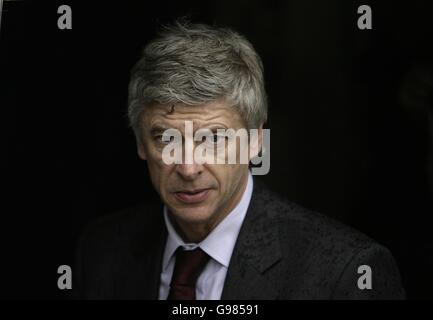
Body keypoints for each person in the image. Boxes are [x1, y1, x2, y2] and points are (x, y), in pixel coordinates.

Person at [73, 20, 405, 299]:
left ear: (255, 140)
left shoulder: (346, 272)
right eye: (166, 139)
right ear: (139, 143)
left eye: (214, 139)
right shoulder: (102, 251)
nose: (189, 168)